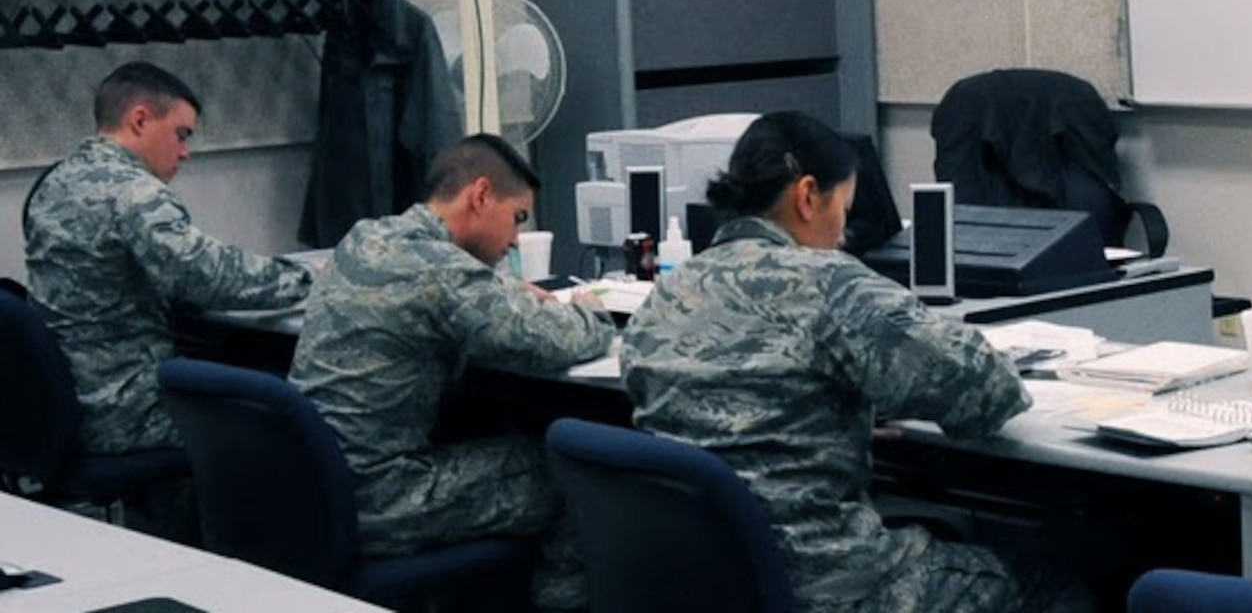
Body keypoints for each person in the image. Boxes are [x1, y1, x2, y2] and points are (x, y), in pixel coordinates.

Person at [622, 111, 1087, 613]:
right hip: (827, 586)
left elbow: (734, 409)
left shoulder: (669, 289)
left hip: (701, 581)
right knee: (1060, 577)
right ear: (807, 196)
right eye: (844, 208)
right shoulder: (832, 284)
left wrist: (840, 410)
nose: (843, 235)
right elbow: (989, 392)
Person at [289, 134, 614, 610]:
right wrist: (592, 312)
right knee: (573, 474)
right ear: (480, 195)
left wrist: (502, 290)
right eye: (517, 217)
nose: (515, 239)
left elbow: (450, 292)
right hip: (382, 499)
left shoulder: (364, 237)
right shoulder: (441, 270)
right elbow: (552, 341)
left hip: (314, 488)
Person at [25, 62, 313, 455]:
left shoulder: (56, 182)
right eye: (181, 135)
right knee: (292, 414)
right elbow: (207, 277)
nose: (185, 152)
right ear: (140, 120)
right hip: (125, 412)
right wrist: (309, 277)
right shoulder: (134, 192)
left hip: (70, 402)